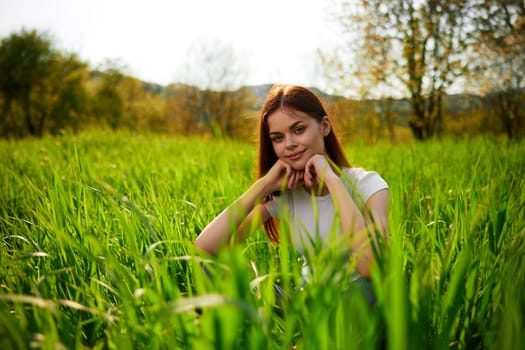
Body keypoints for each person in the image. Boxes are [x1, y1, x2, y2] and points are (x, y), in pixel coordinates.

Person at [195, 85, 389, 284]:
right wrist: (264, 185)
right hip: (304, 303)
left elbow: (371, 267)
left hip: (359, 302)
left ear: (324, 127)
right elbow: (206, 247)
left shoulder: (368, 185)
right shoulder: (287, 195)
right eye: (278, 138)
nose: (289, 144)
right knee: (209, 267)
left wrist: (332, 181)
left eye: (299, 129)